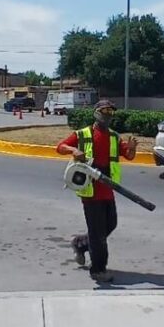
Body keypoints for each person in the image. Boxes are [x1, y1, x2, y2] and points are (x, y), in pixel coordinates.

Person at [56, 99, 138, 282]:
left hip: (108, 189)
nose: (108, 114)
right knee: (98, 233)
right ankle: (98, 270)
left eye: (111, 111)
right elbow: (59, 147)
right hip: (90, 191)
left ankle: (80, 244)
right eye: (104, 110)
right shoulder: (83, 134)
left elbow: (129, 156)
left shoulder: (115, 137)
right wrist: (73, 150)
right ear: (96, 113)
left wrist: (132, 149)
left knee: (110, 225)